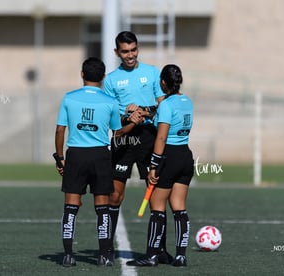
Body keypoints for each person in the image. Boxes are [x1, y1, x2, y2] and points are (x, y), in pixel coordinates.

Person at [54, 57, 142, 267]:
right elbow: (118, 132)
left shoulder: (69, 98)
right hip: (101, 155)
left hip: (75, 155)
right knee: (102, 207)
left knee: (71, 207)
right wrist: (133, 122)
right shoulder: (109, 101)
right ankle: (103, 255)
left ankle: (68, 255)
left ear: (82, 74)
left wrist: (59, 158)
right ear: (103, 77)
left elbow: (60, 130)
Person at [102, 31, 172, 262]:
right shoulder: (111, 80)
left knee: (156, 195)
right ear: (117, 52)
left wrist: (144, 110)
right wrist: (127, 115)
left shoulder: (152, 72)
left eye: (133, 50)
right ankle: (107, 249)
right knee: (114, 196)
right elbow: (111, 117)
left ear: (138, 48)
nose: (130, 55)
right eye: (125, 51)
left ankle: (158, 250)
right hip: (124, 140)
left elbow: (163, 106)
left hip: (149, 138)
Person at [126, 64, 195, 267]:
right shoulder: (187, 101)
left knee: (157, 208)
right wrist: (146, 113)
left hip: (168, 158)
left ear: (163, 83)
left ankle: (152, 255)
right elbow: (167, 118)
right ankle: (180, 256)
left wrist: (153, 166)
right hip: (185, 156)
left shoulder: (166, 105)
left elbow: (162, 137)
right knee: (180, 208)